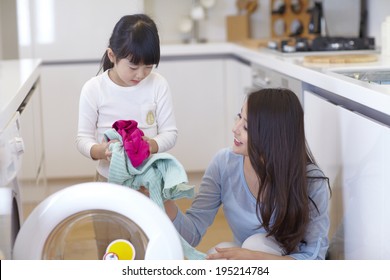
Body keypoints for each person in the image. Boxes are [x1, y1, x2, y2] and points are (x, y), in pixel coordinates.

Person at [163, 88, 331, 260]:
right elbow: (192, 235)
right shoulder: (224, 163)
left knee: (255, 244)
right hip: (248, 254)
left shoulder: (310, 181)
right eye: (239, 117)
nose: (235, 128)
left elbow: (314, 258)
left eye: (246, 126)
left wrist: (255, 256)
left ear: (272, 135)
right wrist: (163, 200)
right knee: (219, 252)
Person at [76, 14, 177, 181]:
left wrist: (150, 145)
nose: (141, 74)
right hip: (108, 179)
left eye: (148, 67)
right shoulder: (94, 89)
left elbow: (170, 133)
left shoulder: (158, 85)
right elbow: (82, 139)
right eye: (133, 66)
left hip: (149, 177)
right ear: (112, 56)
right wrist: (101, 151)